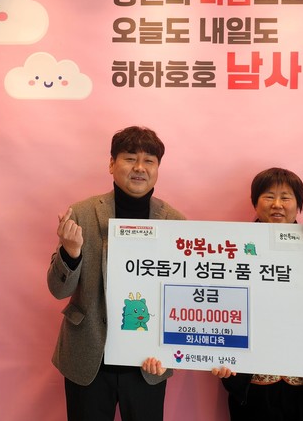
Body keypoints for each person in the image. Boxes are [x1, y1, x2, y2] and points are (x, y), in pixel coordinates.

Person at [47, 126, 186, 421]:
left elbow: (181, 297)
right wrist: (71, 253)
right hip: (88, 357)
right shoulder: (81, 214)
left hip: (148, 362)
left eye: (149, 161)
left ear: (158, 168)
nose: (139, 168)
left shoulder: (175, 222)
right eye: (130, 158)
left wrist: (170, 350)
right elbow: (58, 290)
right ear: (111, 164)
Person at [212, 167, 303, 421]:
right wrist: (219, 355)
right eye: (268, 196)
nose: (277, 204)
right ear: (255, 203)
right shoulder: (233, 246)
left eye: (286, 197)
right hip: (252, 384)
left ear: (298, 205)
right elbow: (219, 307)